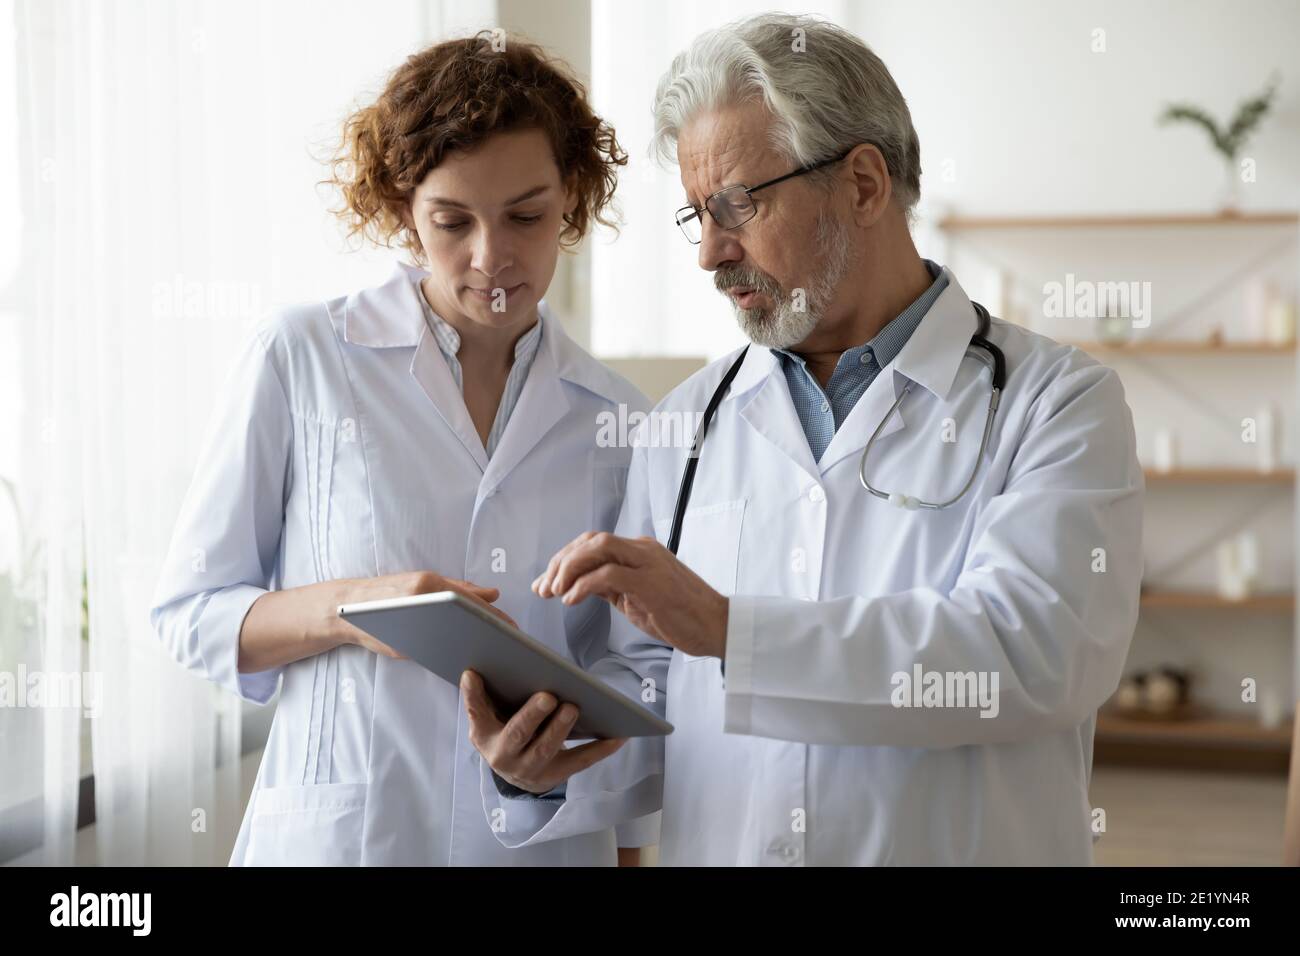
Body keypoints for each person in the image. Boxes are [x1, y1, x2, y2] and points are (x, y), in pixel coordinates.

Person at [464, 13, 1144, 865]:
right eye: (696, 217)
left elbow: (1031, 654)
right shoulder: (684, 425)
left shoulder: (1059, 404)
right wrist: (543, 766)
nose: (711, 252)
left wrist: (728, 631)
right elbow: (653, 694)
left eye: (738, 206)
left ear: (862, 183)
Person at [150, 32, 655, 865]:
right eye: (451, 221)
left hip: (542, 845)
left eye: (526, 216)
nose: (491, 257)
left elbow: (635, 685)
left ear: (572, 197)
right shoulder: (303, 357)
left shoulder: (623, 422)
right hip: (348, 840)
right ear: (402, 208)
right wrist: (360, 606)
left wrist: (564, 785)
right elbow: (190, 613)